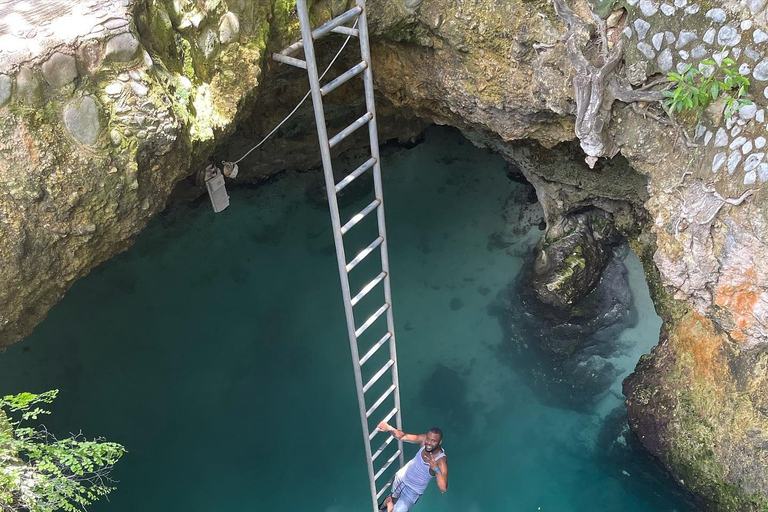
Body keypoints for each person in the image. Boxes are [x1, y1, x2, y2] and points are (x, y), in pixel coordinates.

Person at [376, 421, 448, 512]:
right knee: (394, 497)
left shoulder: (440, 461)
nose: (429, 443)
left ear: (440, 442)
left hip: (413, 490)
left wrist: (436, 469)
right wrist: (389, 428)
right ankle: (389, 501)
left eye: (433, 441)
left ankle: (388, 503)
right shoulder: (423, 440)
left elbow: (443, 488)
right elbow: (402, 436)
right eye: (428, 438)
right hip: (402, 476)